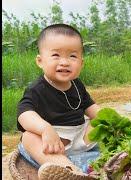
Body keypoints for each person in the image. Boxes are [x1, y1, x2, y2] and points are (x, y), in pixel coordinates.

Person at [17, 23, 100, 180]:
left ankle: (89, 161)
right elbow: (24, 114)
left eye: (72, 56)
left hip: (80, 137)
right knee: (28, 137)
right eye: (56, 55)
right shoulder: (37, 89)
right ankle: (69, 169)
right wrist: (45, 129)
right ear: (40, 61)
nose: (64, 62)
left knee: (101, 121)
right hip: (53, 145)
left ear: (81, 63)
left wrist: (109, 119)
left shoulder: (77, 84)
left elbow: (91, 107)